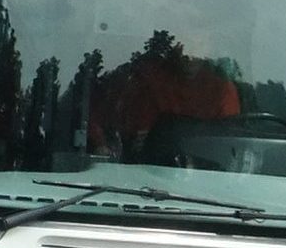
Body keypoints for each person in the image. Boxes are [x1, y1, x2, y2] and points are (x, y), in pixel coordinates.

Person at [90, 29, 241, 162]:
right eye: (186, 44)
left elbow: (232, 145)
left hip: (210, 178)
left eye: (199, 45)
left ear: (210, 48)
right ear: (175, 46)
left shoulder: (222, 89)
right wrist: (101, 144)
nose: (190, 55)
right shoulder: (150, 81)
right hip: (143, 175)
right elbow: (126, 133)